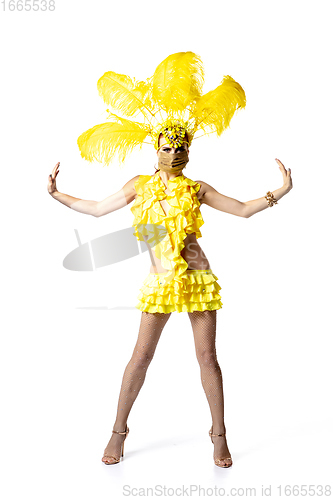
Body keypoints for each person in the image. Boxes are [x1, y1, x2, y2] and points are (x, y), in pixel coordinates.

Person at [47, 51, 293, 468]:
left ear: (188, 151)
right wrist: (58, 194)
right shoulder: (139, 186)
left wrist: (281, 190)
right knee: (140, 357)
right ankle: (118, 432)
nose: (174, 154)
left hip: (197, 279)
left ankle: (219, 436)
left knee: (207, 359)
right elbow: (95, 208)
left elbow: (241, 209)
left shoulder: (196, 188)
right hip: (161, 283)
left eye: (181, 148)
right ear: (156, 149)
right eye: (167, 148)